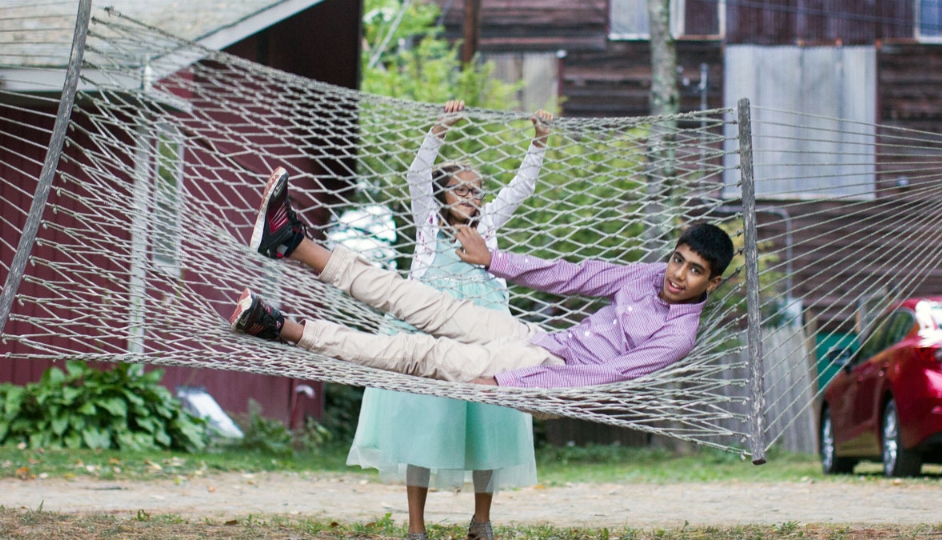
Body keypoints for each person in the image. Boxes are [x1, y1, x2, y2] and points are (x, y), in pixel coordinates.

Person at [231, 133, 734, 390]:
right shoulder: (648, 277)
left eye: (694, 271)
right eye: (678, 259)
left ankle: (282, 329)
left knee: (421, 354)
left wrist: (508, 382)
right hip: (539, 340)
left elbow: (608, 377)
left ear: (710, 285)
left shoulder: (677, 335)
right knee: (415, 298)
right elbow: (572, 275)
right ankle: (290, 242)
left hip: (546, 370)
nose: (677, 274)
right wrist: (494, 260)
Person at [346, 100, 553, 540]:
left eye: (476, 189)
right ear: (442, 195)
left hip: (481, 329)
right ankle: (417, 527)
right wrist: (440, 128)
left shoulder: (489, 225)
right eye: (459, 188)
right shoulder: (428, 227)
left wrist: (539, 142)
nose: (469, 196)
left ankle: (482, 520)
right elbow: (416, 176)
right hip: (426, 325)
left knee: (490, 418)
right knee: (419, 419)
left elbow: (521, 187)